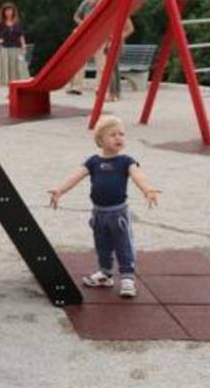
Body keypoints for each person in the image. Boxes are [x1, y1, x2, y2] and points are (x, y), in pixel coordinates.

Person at [47, 116, 160, 298]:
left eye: (121, 134)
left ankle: (127, 277)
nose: (118, 138)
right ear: (100, 140)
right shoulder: (93, 161)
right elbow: (76, 176)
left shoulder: (126, 161)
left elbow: (138, 175)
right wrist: (60, 190)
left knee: (123, 244)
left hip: (118, 213)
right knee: (102, 245)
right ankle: (105, 273)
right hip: (99, 212)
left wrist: (148, 189)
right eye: (112, 135)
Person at [66, 0, 104, 95]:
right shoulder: (85, 3)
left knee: (100, 63)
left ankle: (100, 87)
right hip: (85, 34)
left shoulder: (104, 6)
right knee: (80, 61)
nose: (95, 1)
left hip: (99, 36)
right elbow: (76, 16)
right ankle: (77, 87)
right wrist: (82, 23)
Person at [0, 2, 28, 85]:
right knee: (6, 69)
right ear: (4, 12)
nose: (9, 12)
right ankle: (8, 87)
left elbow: (21, 36)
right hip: (5, 50)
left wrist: (24, 47)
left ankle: (16, 86)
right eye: (7, 11)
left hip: (17, 49)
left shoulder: (17, 23)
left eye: (10, 10)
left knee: (18, 68)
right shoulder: (1, 23)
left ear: (13, 12)